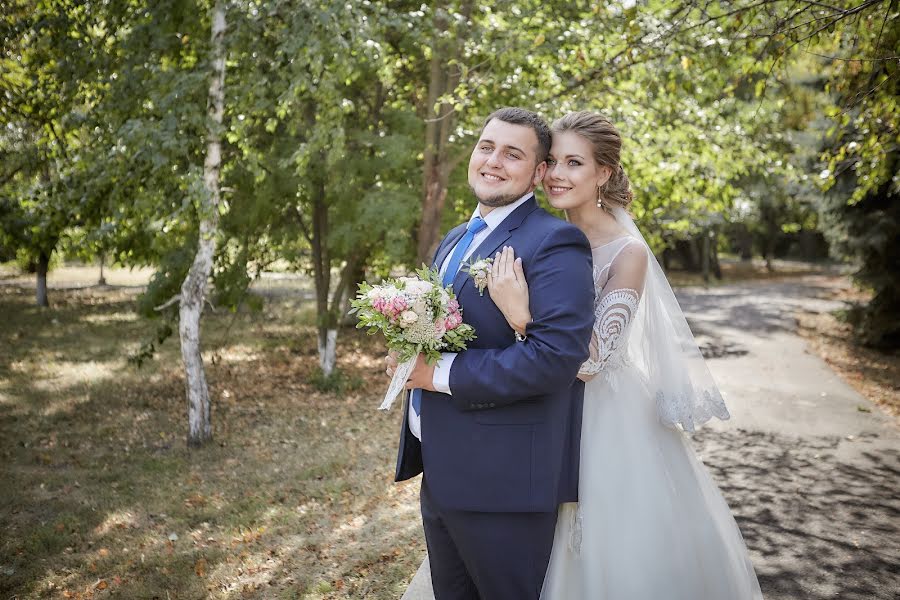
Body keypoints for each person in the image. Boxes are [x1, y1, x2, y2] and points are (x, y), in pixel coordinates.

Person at [488, 111, 764, 599]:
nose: (556, 174)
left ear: (604, 173)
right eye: (551, 161)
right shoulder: (542, 236)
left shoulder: (625, 253)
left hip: (603, 419)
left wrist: (522, 318)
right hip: (537, 400)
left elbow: (592, 361)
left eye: (574, 163)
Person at [387, 107, 596, 600]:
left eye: (513, 154)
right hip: (442, 468)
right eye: (487, 147)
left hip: (503, 483)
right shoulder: (458, 238)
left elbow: (556, 359)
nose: (493, 161)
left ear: (539, 171)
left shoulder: (555, 242)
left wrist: (436, 372)